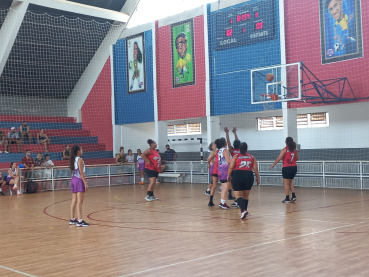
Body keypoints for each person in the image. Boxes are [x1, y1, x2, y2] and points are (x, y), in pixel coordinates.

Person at [228, 142, 260, 219]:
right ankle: (244, 210)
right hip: (249, 175)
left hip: (238, 174)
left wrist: (228, 175)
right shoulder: (252, 157)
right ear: (246, 149)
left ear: (239, 149)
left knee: (238, 195)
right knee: (246, 195)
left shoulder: (236, 156)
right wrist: (257, 178)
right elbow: (255, 169)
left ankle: (243, 210)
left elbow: (231, 167)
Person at [270, 137, 299, 203]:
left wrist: (273, 164)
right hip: (294, 167)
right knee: (290, 182)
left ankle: (287, 198)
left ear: (286, 142)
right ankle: (293, 196)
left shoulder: (284, 149)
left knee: (286, 183)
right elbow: (297, 158)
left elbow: (279, 158)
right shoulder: (295, 150)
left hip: (286, 167)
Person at [69, 145, 89, 227]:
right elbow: (81, 172)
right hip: (78, 180)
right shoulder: (79, 159)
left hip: (73, 179)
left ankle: (72, 219)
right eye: (81, 149)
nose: (82, 150)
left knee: (74, 200)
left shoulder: (72, 159)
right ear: (78, 151)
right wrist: (85, 182)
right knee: (80, 202)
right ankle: (80, 221)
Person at [215, 138, 232, 209]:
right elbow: (228, 161)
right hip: (225, 170)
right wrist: (234, 160)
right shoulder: (225, 150)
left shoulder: (219, 151)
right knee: (225, 187)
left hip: (220, 169)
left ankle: (222, 202)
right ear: (225, 143)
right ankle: (222, 203)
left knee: (224, 187)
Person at [224, 127, 239, 200]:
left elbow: (228, 142)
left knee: (230, 181)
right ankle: (233, 196)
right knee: (234, 183)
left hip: (233, 168)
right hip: (236, 168)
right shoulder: (240, 150)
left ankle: (230, 195)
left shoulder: (232, 150)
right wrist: (235, 133)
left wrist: (227, 133)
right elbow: (236, 141)